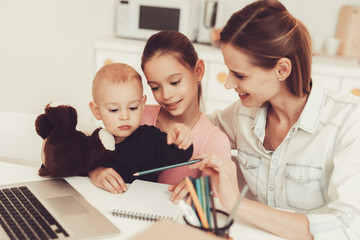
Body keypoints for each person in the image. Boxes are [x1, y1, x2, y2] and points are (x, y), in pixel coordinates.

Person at [189, 0, 360, 239]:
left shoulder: (349, 121)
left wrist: (237, 203)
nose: (228, 84)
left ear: (281, 70)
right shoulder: (242, 113)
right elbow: (194, 134)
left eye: (239, 74)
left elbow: (348, 227)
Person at [89, 31, 231, 200]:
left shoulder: (214, 140)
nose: (166, 94)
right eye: (155, 87)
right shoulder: (132, 115)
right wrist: (95, 171)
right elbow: (89, 149)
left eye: (175, 82)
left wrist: (199, 188)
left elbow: (222, 195)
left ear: (198, 71)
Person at [88, 62, 194, 192]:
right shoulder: (94, 141)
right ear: (96, 111)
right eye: (114, 110)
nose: (125, 116)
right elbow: (70, 165)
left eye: (133, 108)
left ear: (143, 105)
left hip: (142, 206)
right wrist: (94, 171)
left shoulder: (150, 139)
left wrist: (180, 141)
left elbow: (178, 156)